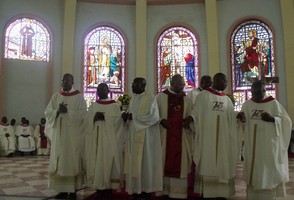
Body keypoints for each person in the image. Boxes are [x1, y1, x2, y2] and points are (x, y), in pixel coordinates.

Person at [184, 72, 240, 199]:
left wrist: (238, 116)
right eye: (224, 81)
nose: (226, 84)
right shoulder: (203, 95)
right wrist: (190, 118)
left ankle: (222, 193)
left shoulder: (227, 99)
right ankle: (208, 193)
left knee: (222, 161)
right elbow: (196, 111)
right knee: (208, 159)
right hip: (207, 137)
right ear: (216, 81)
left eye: (226, 82)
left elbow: (231, 116)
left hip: (223, 139)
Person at [237, 80, 292, 200]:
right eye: (253, 93)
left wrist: (273, 120)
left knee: (268, 169)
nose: (255, 96)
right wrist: (242, 119)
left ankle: (268, 196)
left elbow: (286, 121)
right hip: (252, 145)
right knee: (254, 168)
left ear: (264, 91)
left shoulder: (273, 103)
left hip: (268, 145)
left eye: (257, 93)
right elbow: (243, 123)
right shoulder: (247, 104)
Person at [44, 73, 87, 200]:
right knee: (59, 158)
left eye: (68, 81)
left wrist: (68, 112)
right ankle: (61, 190)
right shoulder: (56, 96)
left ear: (72, 82)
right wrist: (57, 111)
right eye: (63, 80)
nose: (65, 83)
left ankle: (73, 190)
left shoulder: (79, 97)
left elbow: (83, 114)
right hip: (59, 135)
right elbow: (47, 112)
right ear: (61, 82)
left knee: (71, 159)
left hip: (73, 137)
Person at [122, 77, 163, 200]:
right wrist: (126, 116)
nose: (132, 86)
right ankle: (135, 190)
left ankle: (145, 191)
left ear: (142, 85)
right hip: (133, 136)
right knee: (134, 162)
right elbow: (131, 115)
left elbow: (154, 117)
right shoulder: (133, 98)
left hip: (146, 138)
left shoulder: (150, 98)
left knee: (145, 163)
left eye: (134, 84)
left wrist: (134, 118)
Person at [156, 74, 193, 199]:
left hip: (181, 138)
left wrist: (189, 120)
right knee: (163, 161)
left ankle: (178, 193)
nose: (181, 86)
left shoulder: (187, 100)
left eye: (183, 84)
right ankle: (164, 192)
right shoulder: (160, 97)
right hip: (164, 137)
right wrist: (161, 120)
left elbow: (192, 115)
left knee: (180, 164)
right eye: (179, 84)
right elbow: (153, 114)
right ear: (171, 83)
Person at [85, 83, 123, 199]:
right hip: (96, 140)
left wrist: (104, 118)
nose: (101, 91)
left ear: (108, 91)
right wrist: (94, 118)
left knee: (108, 162)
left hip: (108, 141)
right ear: (97, 92)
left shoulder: (114, 106)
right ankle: (98, 188)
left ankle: (108, 189)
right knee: (96, 162)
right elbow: (86, 121)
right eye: (99, 89)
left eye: (103, 89)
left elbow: (118, 122)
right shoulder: (93, 106)